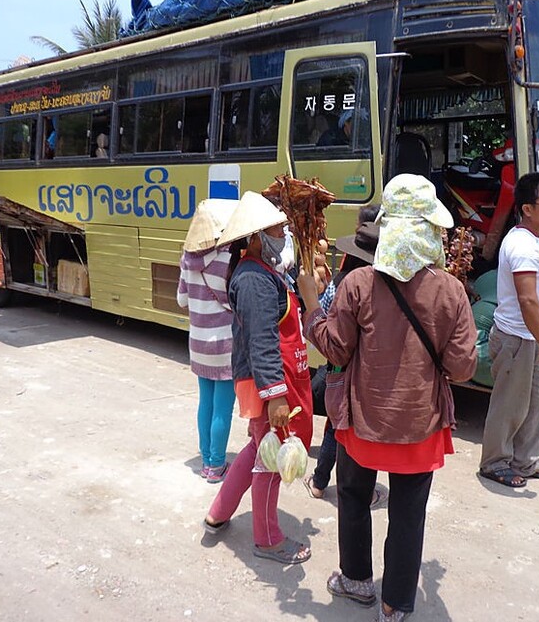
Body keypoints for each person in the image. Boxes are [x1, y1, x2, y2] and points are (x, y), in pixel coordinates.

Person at [297, 174, 478, 622]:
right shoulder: (451, 291)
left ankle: (356, 580)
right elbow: (462, 367)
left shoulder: (358, 283)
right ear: (430, 231)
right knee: (408, 516)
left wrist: (310, 303)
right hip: (420, 425)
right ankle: (396, 605)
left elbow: (334, 349)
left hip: (362, 422)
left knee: (354, 498)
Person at [202, 191, 314, 565]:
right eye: (277, 229)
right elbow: (262, 340)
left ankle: (219, 511)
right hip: (268, 381)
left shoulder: (264, 273)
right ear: (254, 237)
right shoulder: (252, 279)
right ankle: (267, 540)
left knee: (256, 447)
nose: (284, 235)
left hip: (271, 379)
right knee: (270, 457)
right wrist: (276, 395)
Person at [478, 172, 539, 488]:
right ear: (527, 208)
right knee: (509, 405)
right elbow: (528, 300)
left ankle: (523, 461)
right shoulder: (522, 246)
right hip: (516, 339)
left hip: (529, 339)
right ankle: (494, 463)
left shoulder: (531, 240)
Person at [305, 205, 381, 501]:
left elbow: (322, 314)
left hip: (337, 367)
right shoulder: (383, 287)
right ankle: (364, 490)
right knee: (361, 432)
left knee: (334, 426)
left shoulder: (340, 281)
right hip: (366, 374)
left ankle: (319, 482)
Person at [176, 200, 236, 484]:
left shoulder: (187, 258)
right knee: (223, 405)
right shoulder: (227, 260)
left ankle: (206, 457)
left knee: (206, 402)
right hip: (224, 344)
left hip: (198, 343)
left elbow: (181, 300)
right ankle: (216, 464)